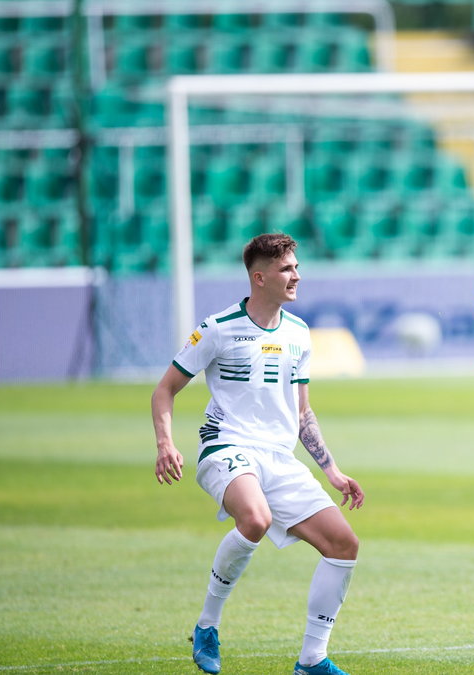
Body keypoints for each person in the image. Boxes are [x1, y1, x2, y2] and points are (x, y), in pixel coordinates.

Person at [152, 233, 363, 675]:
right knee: (255, 518)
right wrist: (165, 443)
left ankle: (312, 660)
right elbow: (165, 390)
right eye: (288, 269)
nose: (297, 275)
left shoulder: (300, 334)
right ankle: (207, 626)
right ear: (259, 277)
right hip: (226, 446)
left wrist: (333, 470)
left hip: (279, 458)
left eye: (297, 266)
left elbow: (303, 412)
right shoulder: (217, 328)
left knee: (344, 544)